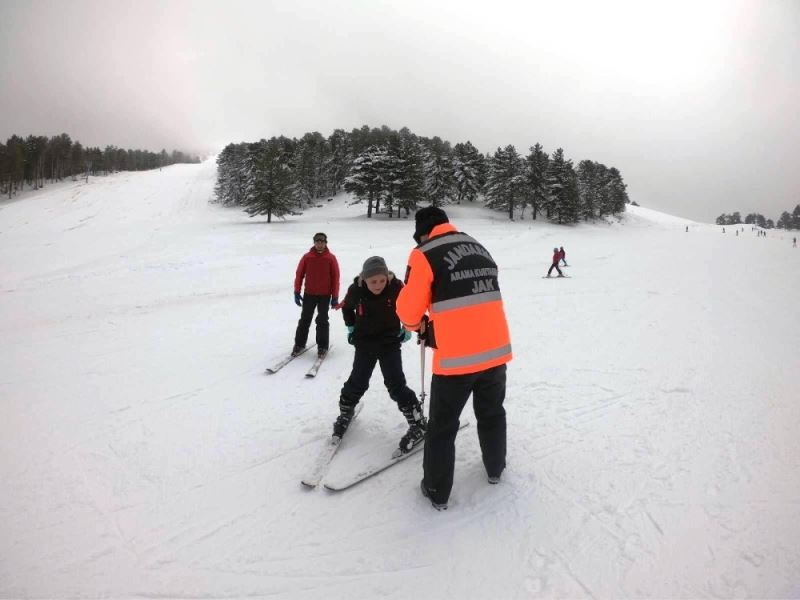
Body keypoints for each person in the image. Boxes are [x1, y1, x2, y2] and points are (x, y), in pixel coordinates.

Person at [397, 207, 512, 511]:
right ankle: (495, 469)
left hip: (456, 360)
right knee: (492, 413)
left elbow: (408, 311)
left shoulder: (424, 253)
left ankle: (436, 490)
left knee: (443, 427)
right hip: (495, 351)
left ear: (423, 232)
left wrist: (416, 325)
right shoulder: (479, 246)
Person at [333, 256, 425, 451]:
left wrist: (407, 326)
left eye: (382, 280)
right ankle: (345, 412)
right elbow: (347, 308)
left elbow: (409, 306)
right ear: (364, 279)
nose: (378, 285)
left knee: (395, 384)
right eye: (373, 281)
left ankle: (417, 422)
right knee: (358, 381)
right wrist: (350, 327)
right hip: (365, 342)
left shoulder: (396, 287)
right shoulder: (356, 290)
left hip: (389, 342)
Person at [292, 232, 340, 358]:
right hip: (309, 294)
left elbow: (335, 278)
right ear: (314, 243)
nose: (320, 244)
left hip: (325, 296)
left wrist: (335, 296)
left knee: (322, 320)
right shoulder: (307, 257)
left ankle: (323, 346)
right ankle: (299, 344)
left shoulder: (331, 258)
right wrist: (297, 291)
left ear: (325, 243)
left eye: (322, 242)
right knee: (305, 319)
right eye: (317, 242)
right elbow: (299, 274)